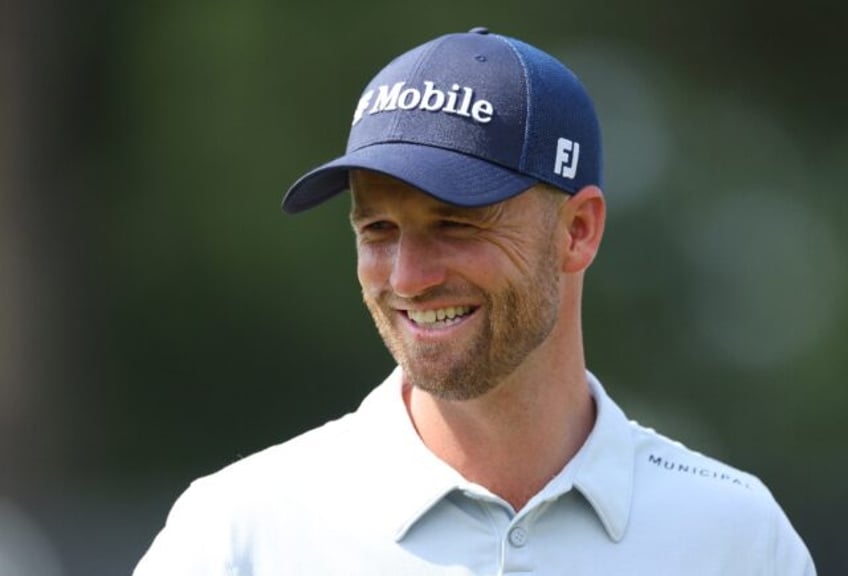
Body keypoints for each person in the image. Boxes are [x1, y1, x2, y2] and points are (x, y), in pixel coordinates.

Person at [134, 28, 816, 575]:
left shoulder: (735, 540)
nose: (408, 277)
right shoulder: (240, 534)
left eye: (455, 223)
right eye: (377, 229)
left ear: (578, 231)